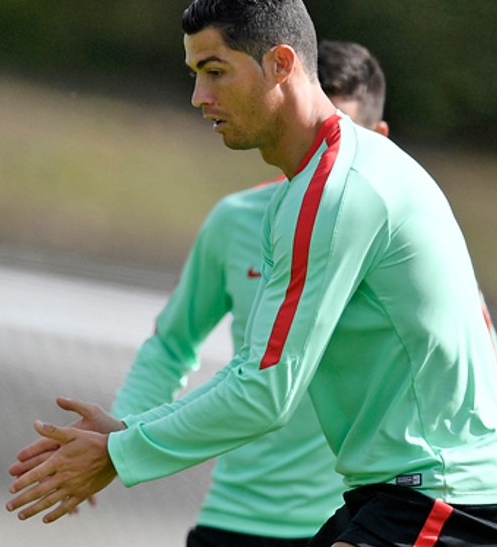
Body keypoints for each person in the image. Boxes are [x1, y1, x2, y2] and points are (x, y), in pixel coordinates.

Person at [7, 0, 497, 546]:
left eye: (215, 72)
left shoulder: (338, 191)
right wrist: (123, 436)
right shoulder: (303, 191)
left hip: (447, 495)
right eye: (194, 75)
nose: (198, 97)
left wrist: (121, 451)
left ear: (281, 64)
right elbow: (243, 367)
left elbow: (265, 392)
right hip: (392, 493)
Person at [110, 40, 391, 547]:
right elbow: (171, 343)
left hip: (350, 521)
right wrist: (114, 439)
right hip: (234, 518)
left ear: (379, 138)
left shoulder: (399, 237)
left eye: (341, 131)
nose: (325, 150)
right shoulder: (235, 220)